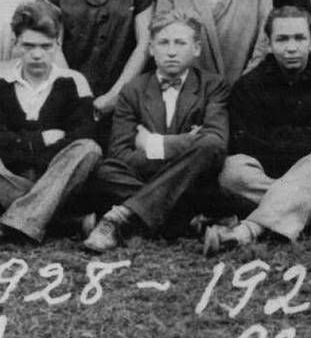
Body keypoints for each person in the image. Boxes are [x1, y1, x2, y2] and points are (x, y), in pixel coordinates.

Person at [0, 1, 104, 250]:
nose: (37, 54)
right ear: (16, 43)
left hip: (58, 177)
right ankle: (56, 220)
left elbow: (79, 138)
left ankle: (1, 230)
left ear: (57, 44)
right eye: (28, 46)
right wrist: (40, 140)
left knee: (89, 149)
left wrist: (20, 144)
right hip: (10, 175)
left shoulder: (73, 82)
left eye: (45, 46)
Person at [80, 15, 229, 255]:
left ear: (197, 48)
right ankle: (182, 222)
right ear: (150, 48)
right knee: (105, 171)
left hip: (192, 182)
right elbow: (120, 153)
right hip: (172, 184)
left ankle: (121, 217)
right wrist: (186, 147)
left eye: (180, 43)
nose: (171, 52)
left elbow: (216, 143)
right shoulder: (132, 90)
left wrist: (152, 143)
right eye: (163, 43)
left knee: (209, 146)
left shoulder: (213, 86)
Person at [201, 7, 311, 255]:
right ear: (268, 44)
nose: (291, 47)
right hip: (269, 174)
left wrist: (276, 142)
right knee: (232, 169)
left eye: (299, 38)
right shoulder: (249, 85)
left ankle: (246, 231)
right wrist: (298, 142)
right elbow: (245, 142)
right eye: (282, 39)